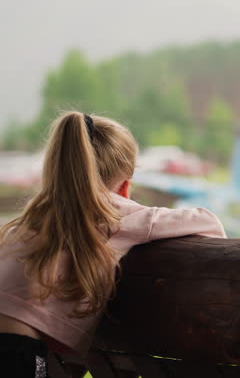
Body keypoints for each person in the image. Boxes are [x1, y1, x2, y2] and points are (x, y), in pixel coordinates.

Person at [0, 111, 226, 377]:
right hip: (14, 352)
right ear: (125, 185)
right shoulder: (112, 212)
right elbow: (209, 223)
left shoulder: (34, 216)